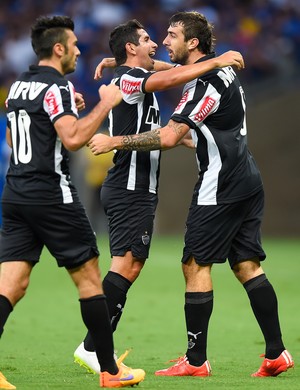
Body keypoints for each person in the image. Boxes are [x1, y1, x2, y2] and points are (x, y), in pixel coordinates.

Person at [87, 11, 294, 378]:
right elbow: (174, 74)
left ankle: (195, 361)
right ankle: (276, 353)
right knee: (247, 266)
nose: (164, 41)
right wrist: (120, 62)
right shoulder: (222, 71)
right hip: (247, 177)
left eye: (171, 34)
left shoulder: (203, 85)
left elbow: (168, 136)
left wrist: (114, 141)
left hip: (220, 184)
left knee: (194, 264)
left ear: (193, 42)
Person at [73, 18, 245, 374]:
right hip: (129, 186)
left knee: (130, 264)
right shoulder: (130, 79)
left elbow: (168, 68)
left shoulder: (129, 72)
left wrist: (116, 61)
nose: (156, 44)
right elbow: (166, 78)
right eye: (148, 39)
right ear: (131, 48)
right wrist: (214, 61)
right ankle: (92, 346)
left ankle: (94, 344)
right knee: (125, 265)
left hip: (136, 186)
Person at [0, 15, 145, 389]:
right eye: (75, 45)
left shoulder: (18, 87)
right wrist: (105, 104)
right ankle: (110, 372)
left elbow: (19, 141)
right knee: (91, 279)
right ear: (59, 49)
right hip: (51, 195)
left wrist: (66, 110)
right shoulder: (57, 86)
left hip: (15, 194)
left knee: (11, 285)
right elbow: (73, 139)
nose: (80, 50)